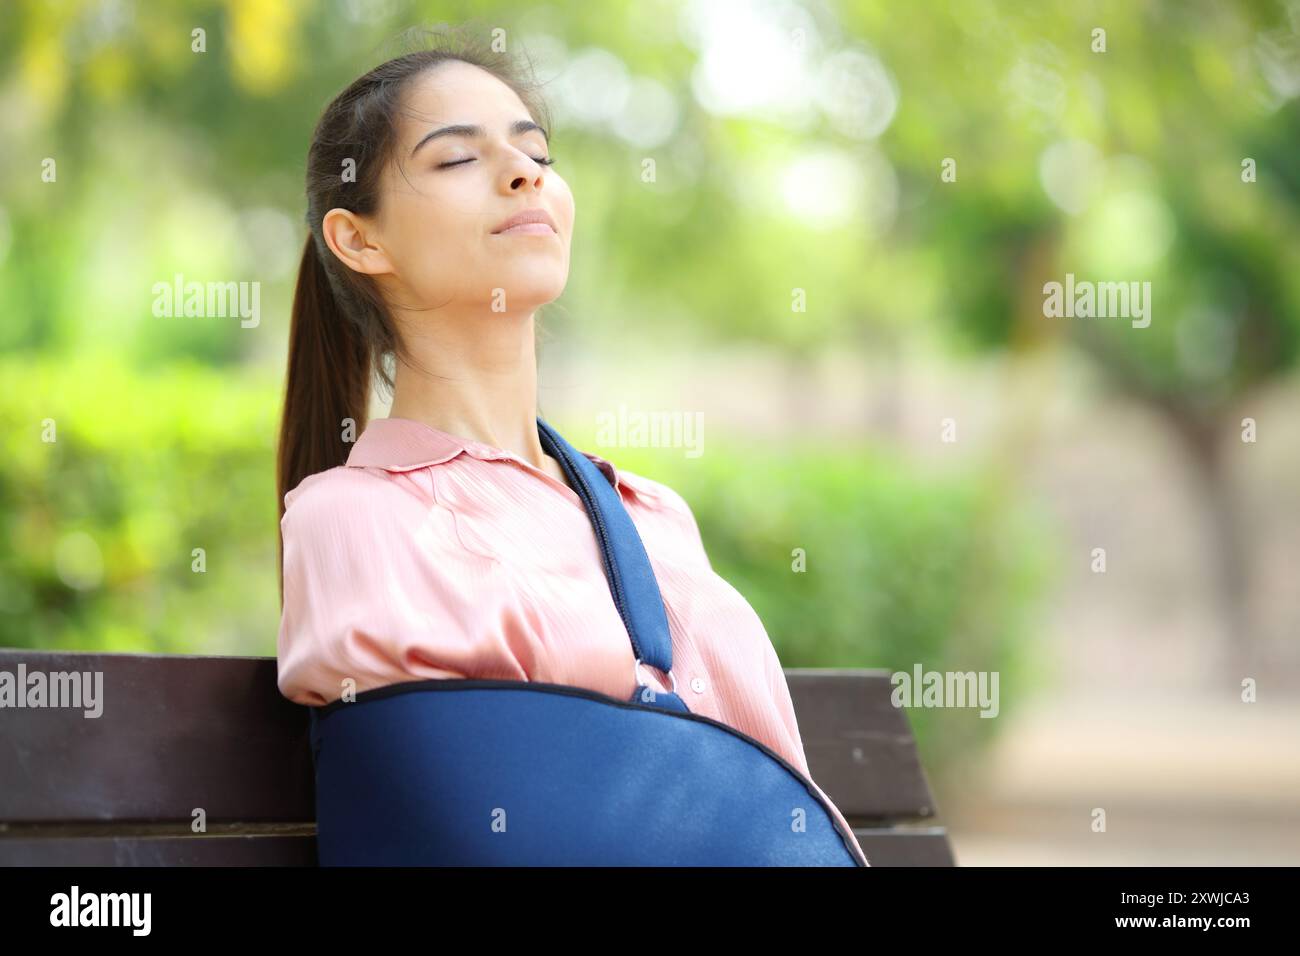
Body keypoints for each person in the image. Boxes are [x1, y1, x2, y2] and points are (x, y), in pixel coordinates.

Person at [275, 28, 868, 867]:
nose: (527, 175)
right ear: (360, 239)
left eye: (537, 154)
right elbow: (451, 823)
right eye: (455, 160)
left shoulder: (653, 515)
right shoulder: (357, 519)